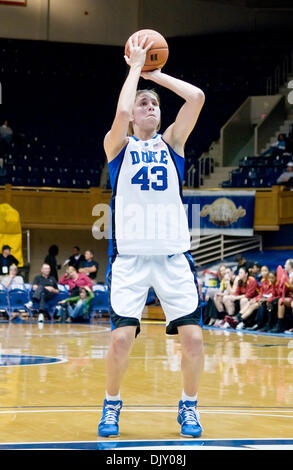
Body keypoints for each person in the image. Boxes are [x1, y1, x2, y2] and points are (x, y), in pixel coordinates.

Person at [98, 33, 205, 439]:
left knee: (193, 340)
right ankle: (111, 405)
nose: (149, 107)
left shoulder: (173, 143)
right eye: (145, 103)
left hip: (174, 258)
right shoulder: (118, 146)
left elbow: (195, 98)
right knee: (121, 340)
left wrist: (155, 75)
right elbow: (123, 110)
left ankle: (189, 408)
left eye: (155, 104)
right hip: (130, 259)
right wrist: (134, 71)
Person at [271, 259, 293, 333]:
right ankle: (279, 325)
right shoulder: (287, 275)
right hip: (290, 297)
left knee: (282, 301)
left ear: (290, 266)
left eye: (286, 264)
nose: (284, 266)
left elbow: (290, 288)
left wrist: (287, 284)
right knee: (280, 301)